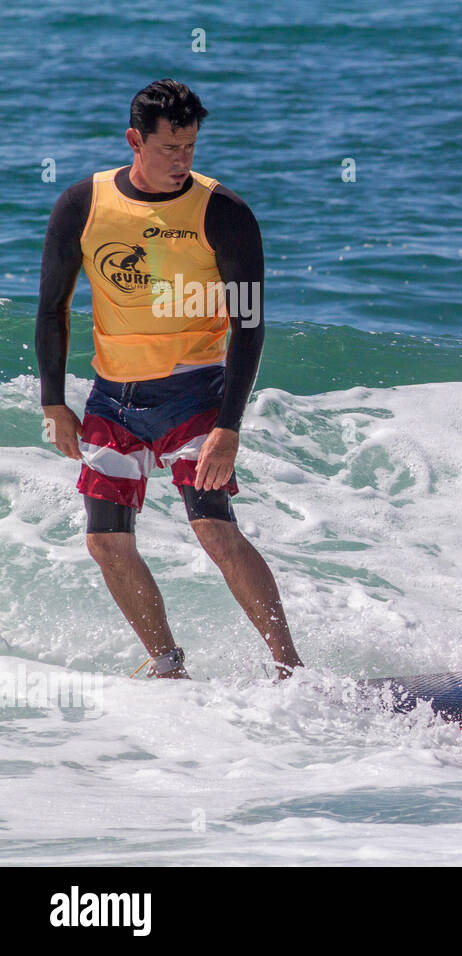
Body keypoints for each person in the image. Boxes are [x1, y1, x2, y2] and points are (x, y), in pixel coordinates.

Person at [36, 79, 304, 680]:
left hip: (194, 393)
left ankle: (291, 669)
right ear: (135, 140)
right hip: (113, 398)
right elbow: (53, 307)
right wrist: (54, 401)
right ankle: (167, 663)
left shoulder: (223, 214)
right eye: (168, 148)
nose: (181, 161)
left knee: (211, 527)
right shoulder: (84, 204)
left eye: (190, 147)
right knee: (106, 540)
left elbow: (249, 327)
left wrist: (228, 428)